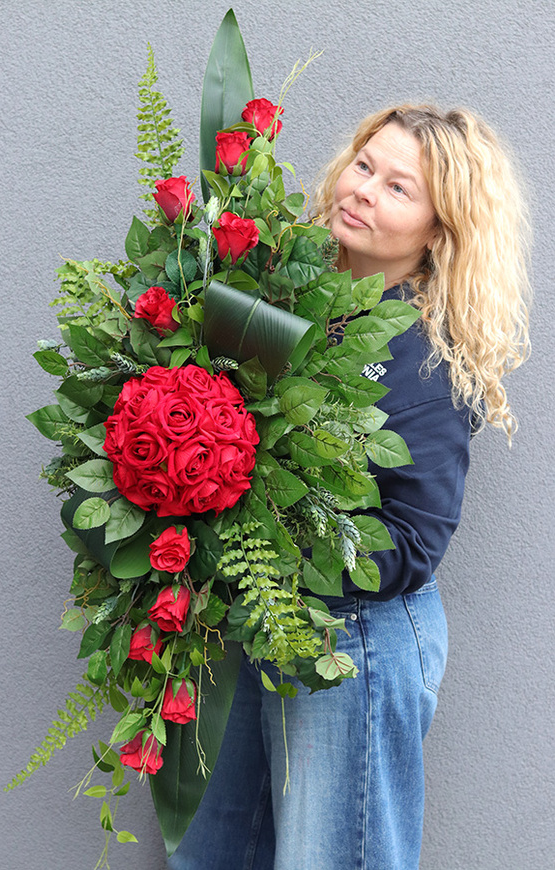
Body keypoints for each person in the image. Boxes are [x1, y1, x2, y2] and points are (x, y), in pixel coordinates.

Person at [168, 105, 531, 870]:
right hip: (259, 614)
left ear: (438, 231)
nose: (364, 190)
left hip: (354, 639)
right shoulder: (284, 297)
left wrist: (274, 550)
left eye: (399, 188)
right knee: (211, 854)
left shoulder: (428, 364)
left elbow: (412, 543)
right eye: (365, 165)